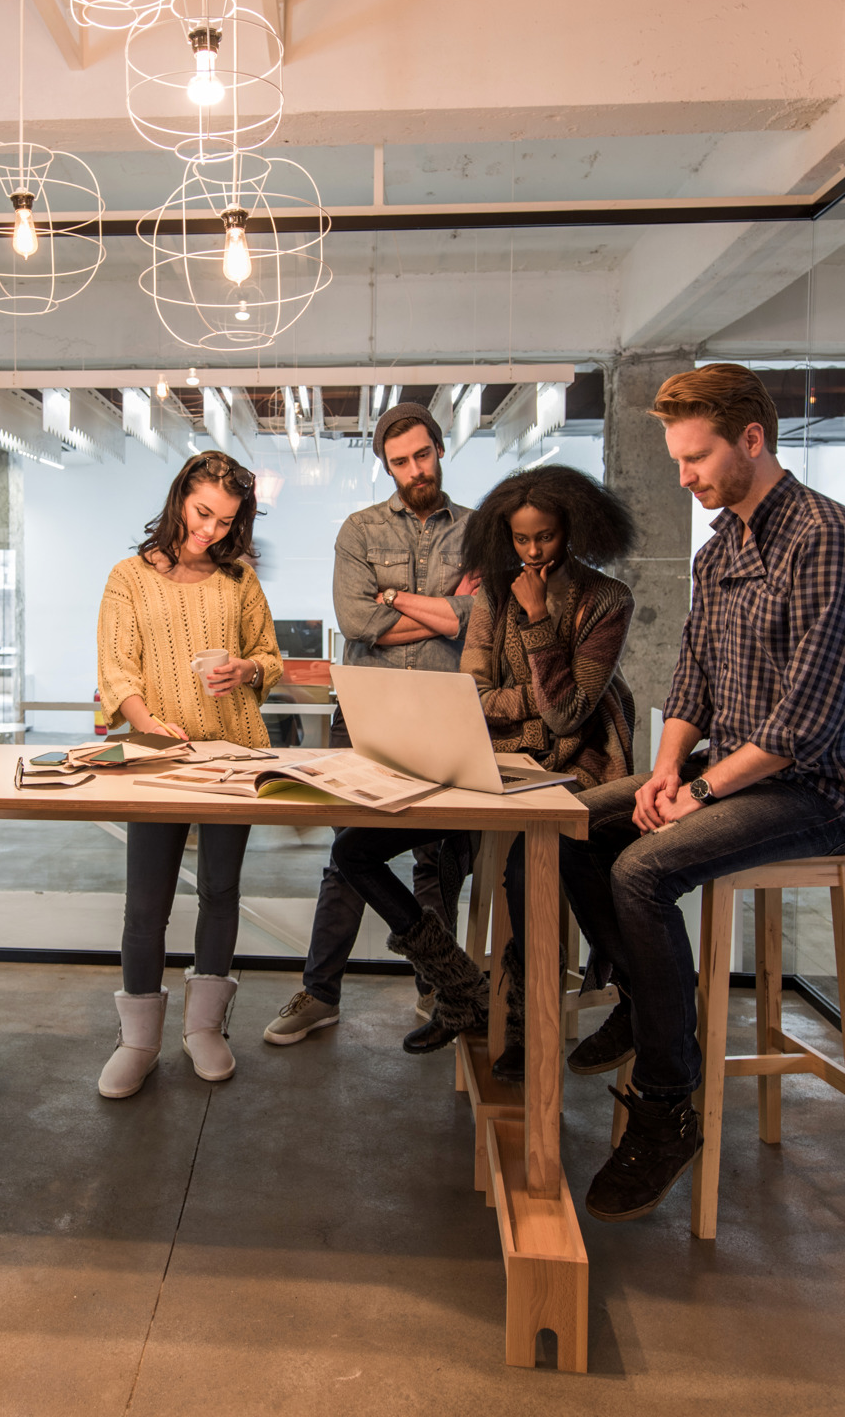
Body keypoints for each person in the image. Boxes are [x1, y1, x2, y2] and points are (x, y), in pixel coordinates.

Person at [557, 363, 845, 1225]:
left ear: (751, 440)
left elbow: (801, 727)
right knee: (567, 821)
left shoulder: (823, 539)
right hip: (730, 771)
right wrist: (664, 772)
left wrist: (700, 790)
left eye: (696, 458)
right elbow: (689, 684)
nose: (683, 476)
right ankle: (649, 1006)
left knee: (642, 873)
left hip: (816, 790)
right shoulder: (719, 550)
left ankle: (667, 1101)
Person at [332, 465, 637, 1057]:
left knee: (530, 872)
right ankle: (460, 987)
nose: (532, 550)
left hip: (577, 772)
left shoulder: (607, 601)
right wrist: (534, 707)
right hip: (493, 765)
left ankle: (523, 1025)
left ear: (572, 528)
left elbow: (570, 717)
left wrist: (541, 622)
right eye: (520, 539)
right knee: (352, 850)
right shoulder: (494, 592)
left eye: (544, 536)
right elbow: (473, 692)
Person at [262, 402, 478, 1046]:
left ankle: (441, 989)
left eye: (423, 455)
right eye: (400, 461)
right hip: (367, 715)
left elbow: (480, 617)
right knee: (346, 857)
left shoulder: (477, 530)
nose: (414, 469)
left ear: (440, 450)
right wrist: (445, 610)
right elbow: (358, 625)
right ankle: (321, 992)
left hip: (445, 712)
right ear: (387, 466)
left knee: (434, 862)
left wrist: (398, 602)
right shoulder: (359, 530)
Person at [96, 451, 281, 1099]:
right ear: (180, 498)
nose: (211, 531)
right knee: (145, 904)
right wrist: (145, 723)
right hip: (157, 759)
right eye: (204, 512)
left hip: (231, 752)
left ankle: (205, 1029)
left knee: (220, 892)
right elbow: (116, 670)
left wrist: (247, 672)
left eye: (226, 522)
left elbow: (271, 659)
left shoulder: (238, 581)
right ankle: (138, 1041)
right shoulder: (128, 577)